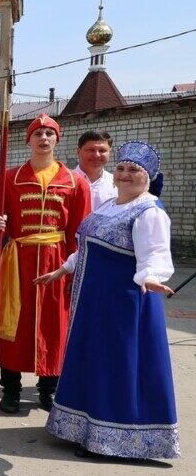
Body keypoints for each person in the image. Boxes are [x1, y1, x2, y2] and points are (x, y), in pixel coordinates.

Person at [38, 140, 179, 459]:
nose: (125, 175)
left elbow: (155, 254)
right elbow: (87, 246)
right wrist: (61, 269)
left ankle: (110, 439)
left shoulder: (149, 210)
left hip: (124, 303)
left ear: (149, 177)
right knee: (92, 360)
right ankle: (82, 428)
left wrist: (151, 277)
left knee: (115, 364)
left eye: (134, 171)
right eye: (121, 169)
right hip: (93, 302)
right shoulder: (108, 205)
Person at [0, 113, 90, 414]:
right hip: (18, 260)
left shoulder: (76, 182)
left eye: (49, 133)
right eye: (38, 133)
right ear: (28, 140)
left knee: (53, 325)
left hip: (56, 260)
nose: (43, 138)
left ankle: (49, 389)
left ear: (57, 139)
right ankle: (11, 388)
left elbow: (80, 232)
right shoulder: (8, 178)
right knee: (13, 324)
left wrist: (75, 270)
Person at [75, 130, 117, 211]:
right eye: (91, 150)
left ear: (110, 153)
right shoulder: (65, 182)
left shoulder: (116, 184)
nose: (96, 155)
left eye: (102, 151)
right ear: (78, 151)